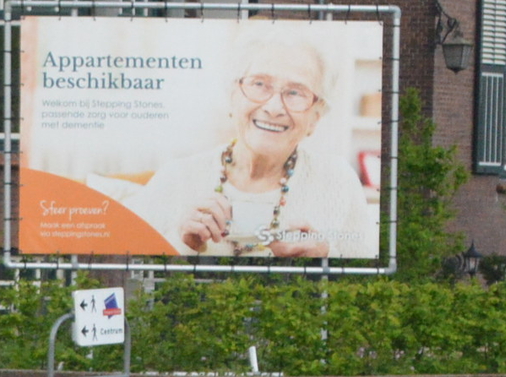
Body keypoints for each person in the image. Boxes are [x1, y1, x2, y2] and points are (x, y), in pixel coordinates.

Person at [133, 34, 373, 259]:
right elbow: (127, 272)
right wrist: (180, 243)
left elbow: (370, 288)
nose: (274, 107)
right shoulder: (176, 177)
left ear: (315, 118)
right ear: (233, 97)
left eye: (294, 92)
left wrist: (325, 256)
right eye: (260, 84)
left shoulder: (337, 181)